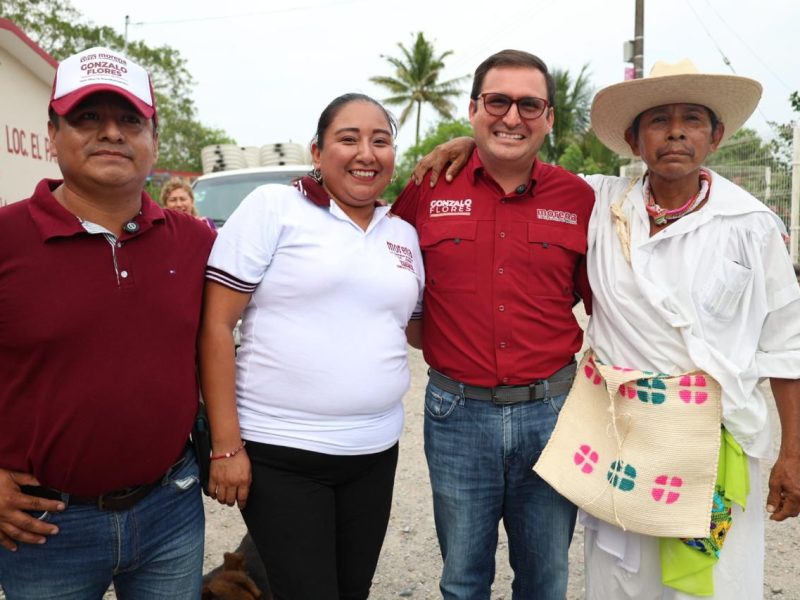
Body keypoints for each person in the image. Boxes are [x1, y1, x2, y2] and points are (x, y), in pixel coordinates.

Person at [414, 59, 800, 599]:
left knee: (714, 586)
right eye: (659, 120)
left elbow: (786, 344)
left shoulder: (751, 225)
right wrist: (468, 142)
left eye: (692, 119)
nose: (675, 133)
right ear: (633, 140)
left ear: (715, 136)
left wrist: (793, 453)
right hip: (621, 438)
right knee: (620, 581)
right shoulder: (600, 202)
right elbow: (513, 158)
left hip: (715, 439)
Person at [0, 46, 214, 598]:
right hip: (44, 526)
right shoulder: (6, 238)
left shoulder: (196, 242)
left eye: (130, 120)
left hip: (171, 508)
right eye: (88, 117)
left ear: (154, 141)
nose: (112, 133)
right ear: (52, 135)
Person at [198, 92, 424, 600]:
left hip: (374, 453)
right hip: (283, 455)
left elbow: (413, 330)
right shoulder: (274, 207)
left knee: (352, 591)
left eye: (380, 141)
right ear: (318, 152)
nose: (366, 153)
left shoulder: (403, 234)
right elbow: (215, 326)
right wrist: (226, 444)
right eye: (348, 138)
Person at [391, 49, 595, 600]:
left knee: (546, 580)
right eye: (498, 101)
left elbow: (609, 300)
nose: (512, 117)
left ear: (549, 118)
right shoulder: (429, 186)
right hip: (456, 414)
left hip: (553, 414)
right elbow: (380, 268)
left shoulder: (580, 198)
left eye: (529, 105)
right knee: (462, 581)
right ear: (473, 108)